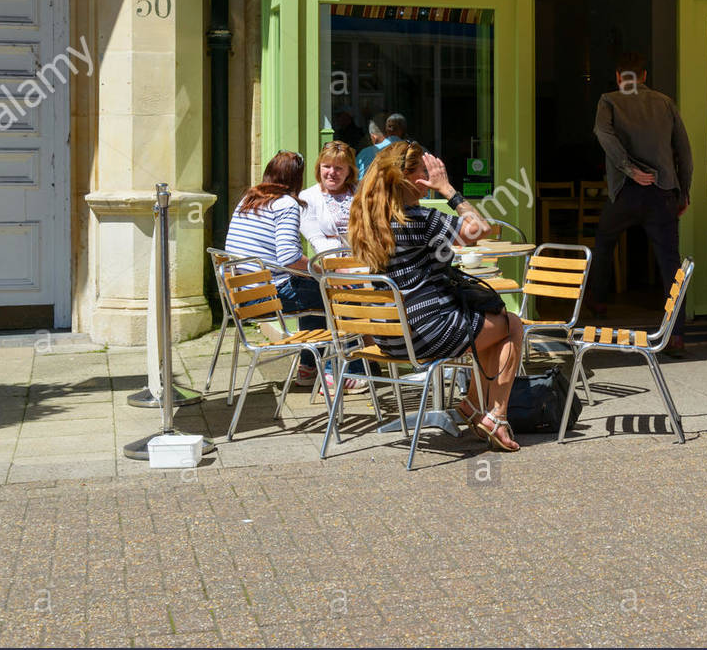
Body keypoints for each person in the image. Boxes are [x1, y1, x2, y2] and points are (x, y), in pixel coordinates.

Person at [348, 140, 525, 451]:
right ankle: (495, 414)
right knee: (511, 324)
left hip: (388, 334)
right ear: (414, 178)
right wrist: (448, 189)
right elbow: (479, 229)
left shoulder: (370, 219)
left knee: (488, 327)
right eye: (426, 171)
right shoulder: (420, 219)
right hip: (427, 331)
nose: (431, 175)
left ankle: (473, 407)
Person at [589, 52, 693, 351]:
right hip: (663, 192)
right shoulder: (664, 102)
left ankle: (598, 302)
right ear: (644, 76)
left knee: (605, 242)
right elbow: (683, 152)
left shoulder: (609, 100)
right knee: (670, 262)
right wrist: (683, 190)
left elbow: (602, 133)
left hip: (625, 190)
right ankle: (676, 334)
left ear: (620, 77)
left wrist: (628, 169)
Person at [224, 151, 348, 389]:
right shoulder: (286, 204)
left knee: (315, 293)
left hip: (243, 296)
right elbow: (289, 257)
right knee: (338, 292)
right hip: (270, 296)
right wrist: (325, 273)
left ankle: (309, 367)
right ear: (297, 179)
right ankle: (340, 372)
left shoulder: (248, 199)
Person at [299, 140, 358, 253]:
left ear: (349, 171)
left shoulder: (361, 191)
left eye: (339, 168)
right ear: (319, 168)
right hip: (333, 263)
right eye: (326, 166)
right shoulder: (307, 197)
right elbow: (317, 240)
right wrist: (339, 266)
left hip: (369, 261)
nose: (332, 172)